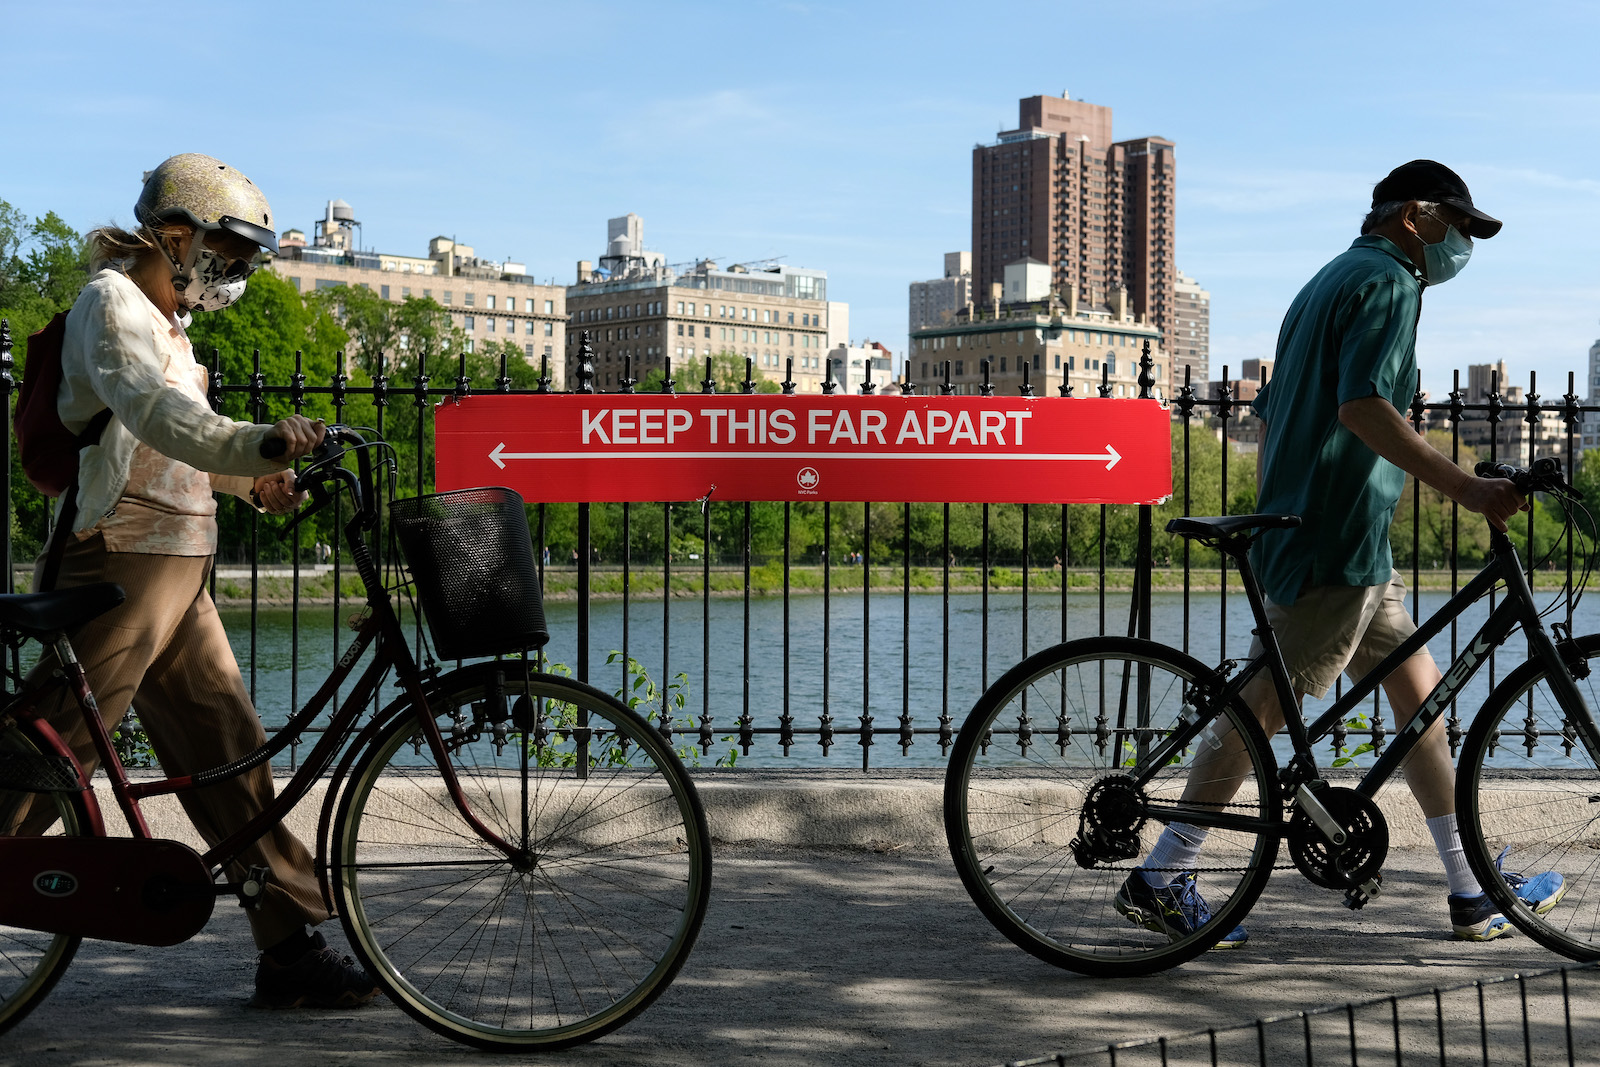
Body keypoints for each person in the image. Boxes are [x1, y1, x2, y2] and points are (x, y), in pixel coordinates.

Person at [1119, 160, 1564, 948]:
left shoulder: (1331, 277)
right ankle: (1160, 873)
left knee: (1423, 703)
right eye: (1460, 227)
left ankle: (1471, 888)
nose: (1463, 245)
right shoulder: (1389, 282)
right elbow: (1361, 407)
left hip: (1344, 535)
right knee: (1256, 712)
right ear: (1417, 216)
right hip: (1330, 540)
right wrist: (1466, 486)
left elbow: (1305, 404)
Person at [16, 154, 378, 1007]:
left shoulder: (170, 323)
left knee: (229, 755)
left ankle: (287, 947)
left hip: (179, 562)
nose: (240, 273)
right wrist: (258, 443)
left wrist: (255, 481)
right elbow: (159, 416)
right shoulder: (111, 306)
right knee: (52, 751)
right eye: (232, 251)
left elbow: (182, 447)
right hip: (121, 560)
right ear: (177, 236)